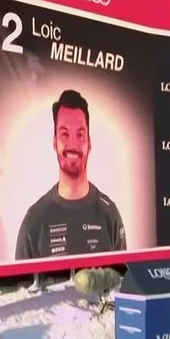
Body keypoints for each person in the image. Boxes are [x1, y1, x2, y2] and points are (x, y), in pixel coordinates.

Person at [16, 89, 126, 260]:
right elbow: (19, 286)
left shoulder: (110, 215)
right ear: (54, 141)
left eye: (80, 134)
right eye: (64, 134)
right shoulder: (34, 222)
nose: (73, 144)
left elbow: (123, 284)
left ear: (89, 143)